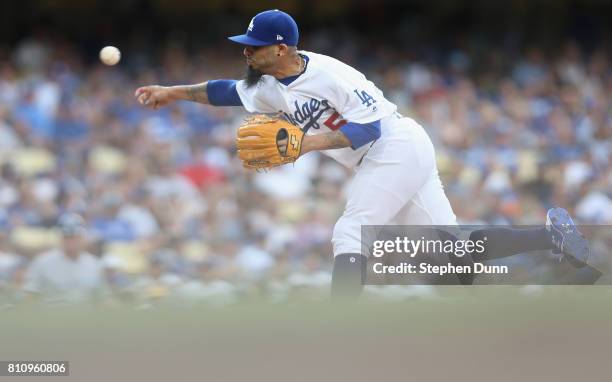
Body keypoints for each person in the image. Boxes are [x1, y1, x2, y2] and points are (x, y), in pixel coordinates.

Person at [135, 9, 592, 297]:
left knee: (351, 230)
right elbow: (225, 92)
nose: (247, 53)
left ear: (281, 47)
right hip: (380, 158)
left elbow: (370, 126)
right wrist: (171, 92)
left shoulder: (332, 73)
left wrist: (305, 143)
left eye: (254, 47)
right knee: (453, 261)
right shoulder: (265, 82)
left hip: (395, 143)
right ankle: (550, 236)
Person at [22, 213, 108, 303]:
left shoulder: (94, 264)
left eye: (74, 236)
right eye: (67, 237)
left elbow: (103, 299)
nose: (71, 241)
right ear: (60, 237)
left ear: (83, 237)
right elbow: (30, 297)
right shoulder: (42, 262)